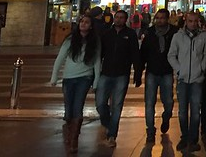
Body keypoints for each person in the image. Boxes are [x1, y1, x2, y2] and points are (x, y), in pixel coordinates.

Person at [50, 14, 101, 154]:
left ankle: (74, 139)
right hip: (68, 78)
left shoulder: (94, 41)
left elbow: (97, 62)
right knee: (68, 109)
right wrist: (54, 77)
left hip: (85, 78)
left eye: (86, 22)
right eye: (81, 22)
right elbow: (60, 58)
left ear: (91, 26)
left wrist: (96, 81)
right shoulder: (70, 40)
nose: (83, 24)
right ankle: (69, 128)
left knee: (78, 107)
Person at [96, 9, 141, 147]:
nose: (119, 20)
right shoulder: (107, 33)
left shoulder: (130, 34)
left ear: (126, 20)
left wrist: (138, 74)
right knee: (100, 103)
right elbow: (100, 53)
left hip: (122, 74)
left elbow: (135, 54)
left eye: (122, 18)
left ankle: (112, 135)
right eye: (117, 17)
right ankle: (107, 122)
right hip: (106, 72)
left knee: (117, 105)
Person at [168, 12, 206, 152]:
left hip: (197, 79)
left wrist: (201, 68)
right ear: (185, 21)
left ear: (198, 22)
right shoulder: (178, 36)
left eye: (195, 21)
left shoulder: (203, 36)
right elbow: (171, 55)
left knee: (195, 111)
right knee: (182, 112)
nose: (193, 23)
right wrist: (179, 69)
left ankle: (193, 139)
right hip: (182, 79)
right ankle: (184, 137)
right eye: (190, 21)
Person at [139, 8, 177, 145]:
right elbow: (143, 52)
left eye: (162, 18)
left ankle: (166, 117)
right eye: (158, 18)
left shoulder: (174, 32)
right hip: (152, 71)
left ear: (167, 19)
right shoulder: (150, 32)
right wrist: (139, 71)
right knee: (149, 102)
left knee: (168, 102)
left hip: (167, 71)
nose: (160, 20)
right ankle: (150, 130)